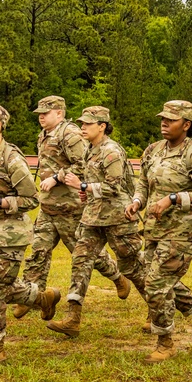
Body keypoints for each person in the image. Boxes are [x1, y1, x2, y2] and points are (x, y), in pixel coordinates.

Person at [0, 101, 61, 366]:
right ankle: (42, 297)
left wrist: (0, 203)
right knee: (2, 288)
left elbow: (32, 199)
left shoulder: (11, 158)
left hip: (9, 237)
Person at [126, 100, 192, 364]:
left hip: (182, 232)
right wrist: (136, 202)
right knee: (155, 279)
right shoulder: (153, 150)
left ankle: (165, 342)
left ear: (187, 125)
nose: (164, 123)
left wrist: (174, 198)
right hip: (155, 229)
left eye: (171, 119)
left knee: (156, 284)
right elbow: (143, 184)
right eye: (163, 118)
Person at [17, 96, 121, 318]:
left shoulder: (70, 134)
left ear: (60, 113)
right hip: (48, 206)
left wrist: (57, 177)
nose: (41, 117)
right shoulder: (44, 135)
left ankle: (117, 276)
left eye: (46, 113)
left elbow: (83, 165)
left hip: (70, 208)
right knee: (38, 251)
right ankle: (33, 295)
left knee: (85, 255)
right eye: (40, 114)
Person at [47, 106, 146, 338]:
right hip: (93, 217)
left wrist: (82, 186)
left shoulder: (111, 151)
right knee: (80, 260)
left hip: (117, 218)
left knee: (132, 266)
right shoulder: (89, 150)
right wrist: (86, 191)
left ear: (102, 126)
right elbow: (92, 180)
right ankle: (73, 318)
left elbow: (114, 187)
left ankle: (157, 306)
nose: (82, 127)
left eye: (88, 124)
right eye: (81, 123)